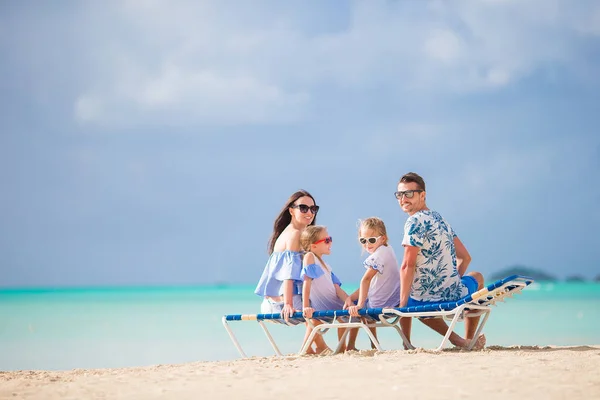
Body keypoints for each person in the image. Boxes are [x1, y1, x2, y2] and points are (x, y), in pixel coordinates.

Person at [395, 172, 486, 350]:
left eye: (409, 194)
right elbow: (465, 258)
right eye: (400, 194)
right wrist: (450, 280)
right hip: (454, 293)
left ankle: (455, 340)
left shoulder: (413, 222)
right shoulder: (440, 219)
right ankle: (469, 339)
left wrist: (403, 306)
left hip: (428, 300)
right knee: (477, 277)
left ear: (423, 195)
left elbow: (407, 265)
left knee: (410, 300)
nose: (403, 199)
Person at [254, 190, 319, 319]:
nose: (309, 213)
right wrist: (288, 304)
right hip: (282, 302)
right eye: (303, 208)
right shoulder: (294, 234)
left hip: (281, 300)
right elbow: (288, 272)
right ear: (291, 211)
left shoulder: (297, 232)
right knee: (324, 312)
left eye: (313, 209)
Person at [345, 217, 401, 349]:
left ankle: (351, 345)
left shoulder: (378, 256)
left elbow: (365, 280)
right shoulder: (388, 249)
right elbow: (370, 286)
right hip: (394, 301)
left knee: (355, 310)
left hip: (378, 306)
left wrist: (358, 304)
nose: (367, 244)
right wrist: (350, 297)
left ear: (383, 238)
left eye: (371, 240)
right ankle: (373, 344)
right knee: (355, 302)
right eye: (363, 240)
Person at [300, 225, 356, 353]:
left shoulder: (327, 266)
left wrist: (348, 301)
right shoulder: (310, 257)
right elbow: (306, 282)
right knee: (317, 322)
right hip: (323, 305)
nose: (330, 242)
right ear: (313, 246)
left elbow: (337, 289)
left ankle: (342, 348)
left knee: (349, 316)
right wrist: (305, 306)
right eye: (326, 240)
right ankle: (305, 349)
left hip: (334, 303)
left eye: (330, 239)